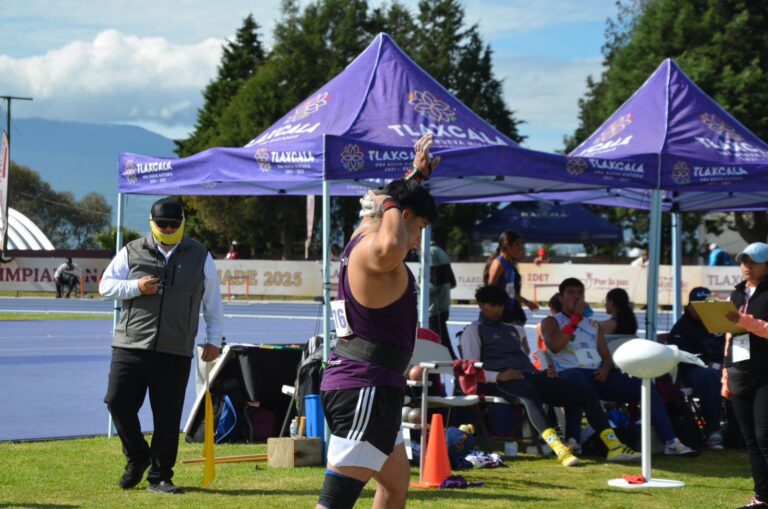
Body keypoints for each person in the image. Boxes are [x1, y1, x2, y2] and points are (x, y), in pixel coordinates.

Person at [317, 133, 439, 509]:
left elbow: (389, 218)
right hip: (365, 388)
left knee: (394, 486)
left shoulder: (363, 235)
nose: (417, 241)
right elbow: (393, 242)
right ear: (401, 218)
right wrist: (389, 195)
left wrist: (412, 180)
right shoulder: (376, 250)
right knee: (335, 503)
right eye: (418, 228)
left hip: (372, 384)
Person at [99, 198, 223, 495]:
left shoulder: (200, 255)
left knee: (167, 416)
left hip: (176, 348)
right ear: (151, 224)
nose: (168, 229)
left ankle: (160, 476)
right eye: (162, 224)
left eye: (174, 224)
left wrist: (214, 340)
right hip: (130, 344)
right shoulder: (131, 250)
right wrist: (135, 287)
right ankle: (138, 456)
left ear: (182, 223)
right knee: (117, 401)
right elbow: (105, 286)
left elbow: (213, 303)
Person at [460, 285, 639, 466]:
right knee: (529, 393)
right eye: (493, 305)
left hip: (527, 376)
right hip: (500, 382)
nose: (498, 310)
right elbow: (471, 368)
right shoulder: (473, 330)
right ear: (481, 305)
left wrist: (542, 372)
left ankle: (614, 447)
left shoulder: (514, 330)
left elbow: (523, 360)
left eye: (501, 305)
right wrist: (499, 376)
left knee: (585, 393)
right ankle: (559, 449)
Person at [541, 277, 698, 457]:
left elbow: (606, 357)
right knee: (578, 383)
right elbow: (554, 345)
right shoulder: (551, 321)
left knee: (645, 387)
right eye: (571, 293)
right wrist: (575, 319)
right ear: (560, 298)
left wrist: (606, 369)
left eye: (580, 293)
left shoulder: (593, 325)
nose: (576, 297)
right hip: (570, 375)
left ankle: (671, 441)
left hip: (597, 375)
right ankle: (573, 441)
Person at [721, 242, 768, 508]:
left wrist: (744, 322)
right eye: (743, 260)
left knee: (765, 439)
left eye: (754, 261)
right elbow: (729, 337)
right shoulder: (736, 294)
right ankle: (762, 498)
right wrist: (725, 375)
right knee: (751, 441)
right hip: (739, 372)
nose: (747, 266)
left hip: (765, 374)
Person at [667, 286, 725, 450]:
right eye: (698, 305)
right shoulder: (682, 327)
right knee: (707, 376)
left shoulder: (718, 322)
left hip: (723, 368)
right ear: (690, 306)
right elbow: (683, 357)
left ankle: (741, 432)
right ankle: (714, 430)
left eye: (706, 305)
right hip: (693, 372)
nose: (701, 309)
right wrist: (715, 366)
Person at [483, 230, 539, 325]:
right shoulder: (498, 264)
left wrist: (527, 302)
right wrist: (497, 313)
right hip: (501, 313)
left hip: (509, 310)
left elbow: (510, 292)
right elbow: (490, 291)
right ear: (507, 246)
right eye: (517, 244)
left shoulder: (509, 264)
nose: (520, 248)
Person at [429, 240, 457, 358]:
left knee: (442, 351)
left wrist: (415, 290)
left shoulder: (429, 253)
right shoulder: (441, 251)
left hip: (433, 309)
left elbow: (431, 286)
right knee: (442, 349)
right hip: (441, 306)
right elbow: (453, 282)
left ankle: (460, 373)